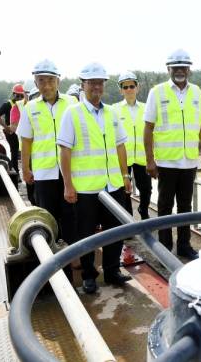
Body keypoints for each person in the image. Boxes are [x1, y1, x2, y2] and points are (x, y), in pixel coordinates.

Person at [58, 62, 133, 294]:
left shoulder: (111, 113)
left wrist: (125, 174)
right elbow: (65, 150)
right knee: (86, 235)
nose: (96, 87)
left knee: (116, 230)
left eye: (100, 83)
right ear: (83, 85)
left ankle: (112, 270)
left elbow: (120, 146)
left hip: (113, 185)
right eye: (92, 83)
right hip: (86, 189)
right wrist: (68, 185)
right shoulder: (73, 114)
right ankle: (89, 275)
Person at [143, 49, 201, 260]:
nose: (180, 70)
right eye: (176, 67)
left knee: (185, 206)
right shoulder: (158, 92)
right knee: (164, 205)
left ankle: (184, 245)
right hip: (166, 161)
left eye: (183, 67)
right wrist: (150, 160)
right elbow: (148, 128)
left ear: (189, 69)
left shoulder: (196, 92)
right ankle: (165, 246)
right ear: (168, 69)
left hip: (189, 160)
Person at [16, 59, 77, 259]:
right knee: (48, 215)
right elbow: (26, 141)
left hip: (70, 171)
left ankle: (72, 255)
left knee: (71, 214)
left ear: (58, 81)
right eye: (42, 81)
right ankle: (52, 257)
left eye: (51, 80)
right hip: (44, 172)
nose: (47, 85)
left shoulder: (72, 103)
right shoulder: (30, 108)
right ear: (36, 84)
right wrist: (25, 169)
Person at [111, 71, 151, 220]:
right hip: (123, 158)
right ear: (121, 89)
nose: (129, 90)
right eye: (125, 87)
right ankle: (128, 220)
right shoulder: (114, 110)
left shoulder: (146, 108)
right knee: (124, 191)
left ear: (137, 87)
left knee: (146, 189)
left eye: (131, 86)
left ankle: (144, 211)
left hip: (142, 158)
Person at [10, 86, 40, 205]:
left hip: (44, 152)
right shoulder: (17, 107)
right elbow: (13, 127)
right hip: (27, 150)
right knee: (32, 186)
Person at [0, 84, 23, 174]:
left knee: (22, 151)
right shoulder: (7, 105)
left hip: (22, 131)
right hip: (11, 132)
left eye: (21, 95)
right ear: (13, 94)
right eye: (17, 95)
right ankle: (16, 172)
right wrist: (6, 127)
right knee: (14, 152)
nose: (19, 97)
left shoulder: (25, 104)